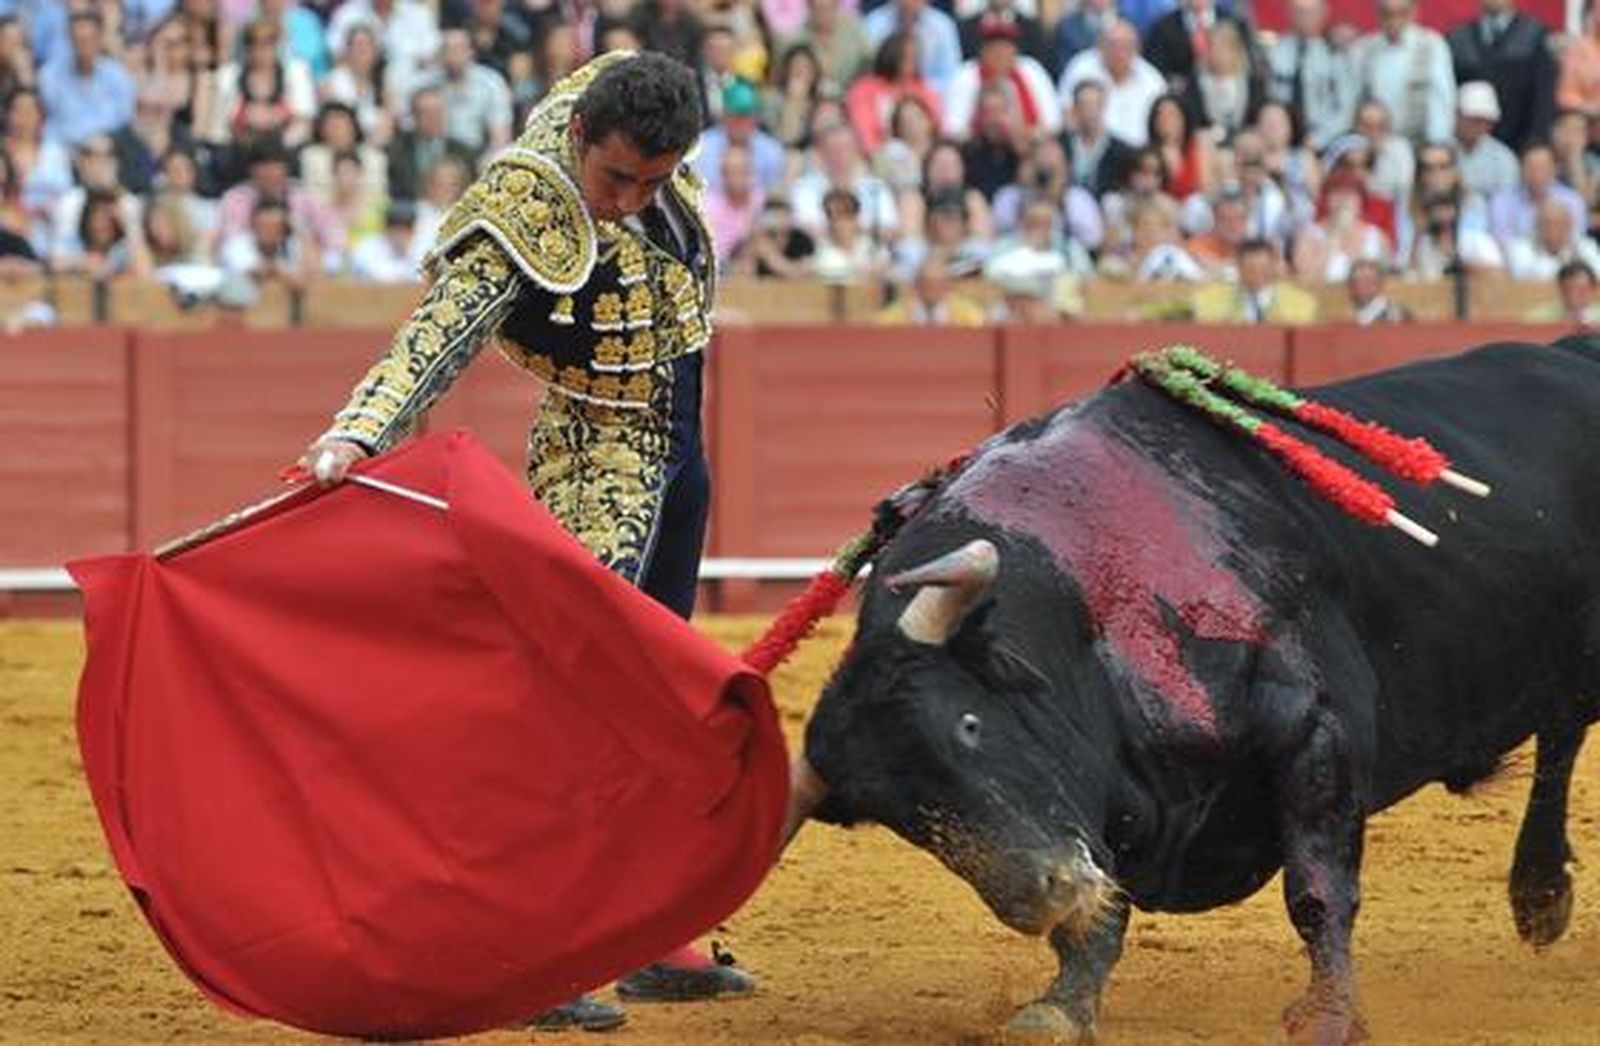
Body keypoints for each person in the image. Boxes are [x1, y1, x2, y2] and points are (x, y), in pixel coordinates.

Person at [295, 52, 756, 1032]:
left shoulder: (625, 106)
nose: (631, 200)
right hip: (600, 452)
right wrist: (358, 430)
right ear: (580, 139)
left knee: (658, 688)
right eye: (616, 178)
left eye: (657, 178)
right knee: (575, 705)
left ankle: (639, 931)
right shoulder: (532, 204)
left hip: (679, 442)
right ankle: (528, 942)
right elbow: (440, 330)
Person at [1192, 237, 1319, 322]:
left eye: (1264, 269)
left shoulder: (1300, 302)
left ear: (1274, 267)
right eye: (1251, 269)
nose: (1257, 275)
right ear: (1239, 268)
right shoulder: (1211, 300)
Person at [1345, 256, 1412, 323]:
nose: (1365, 286)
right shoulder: (1347, 316)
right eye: (1359, 281)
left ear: (1380, 284)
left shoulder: (1396, 313)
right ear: (1351, 286)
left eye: (1370, 281)